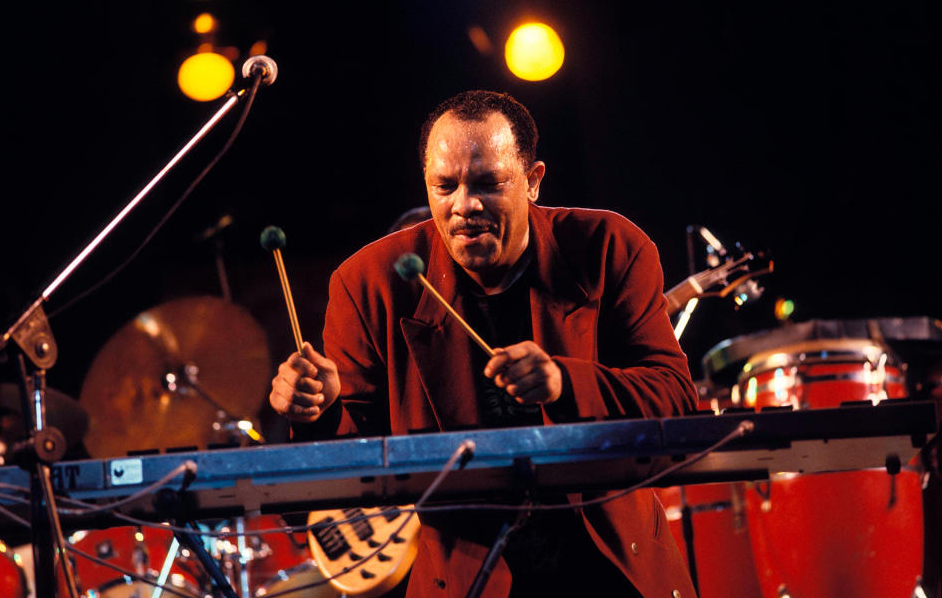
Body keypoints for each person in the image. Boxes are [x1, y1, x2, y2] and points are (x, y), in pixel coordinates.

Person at [269, 90, 698, 598]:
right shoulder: (369, 283)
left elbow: (676, 403)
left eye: (488, 184)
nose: (463, 206)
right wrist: (316, 409)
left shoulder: (610, 247)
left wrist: (565, 383)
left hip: (613, 571)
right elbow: (337, 491)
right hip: (467, 584)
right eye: (444, 186)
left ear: (534, 181)